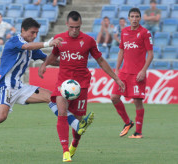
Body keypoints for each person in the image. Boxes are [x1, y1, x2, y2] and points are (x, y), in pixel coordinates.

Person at [0, 17, 88, 161]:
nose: (34, 36)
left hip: (19, 87)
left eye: (36, 33)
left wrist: (72, 62)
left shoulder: (31, 47)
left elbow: (48, 60)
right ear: (23, 30)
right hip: (5, 86)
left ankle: (77, 124)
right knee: (0, 117)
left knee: (50, 96)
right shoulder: (14, 41)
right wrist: (48, 43)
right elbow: (28, 47)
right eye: (32, 33)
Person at [38, 11, 125, 162]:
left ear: (80, 25)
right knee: (62, 112)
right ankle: (65, 151)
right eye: (71, 27)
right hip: (63, 83)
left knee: (78, 124)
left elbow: (101, 61)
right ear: (67, 24)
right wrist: (44, 65)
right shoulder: (60, 39)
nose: (74, 30)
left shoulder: (89, 40)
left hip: (81, 85)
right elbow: (53, 55)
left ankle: (74, 143)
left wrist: (116, 78)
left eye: (77, 27)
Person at [110, 8, 154, 139]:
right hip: (124, 72)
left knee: (137, 101)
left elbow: (151, 54)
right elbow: (121, 51)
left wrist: (143, 70)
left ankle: (138, 132)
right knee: (114, 97)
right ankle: (127, 122)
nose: (134, 19)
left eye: (137, 16)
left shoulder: (145, 33)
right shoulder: (124, 32)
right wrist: (117, 69)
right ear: (129, 18)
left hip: (137, 74)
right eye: (132, 16)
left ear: (140, 18)